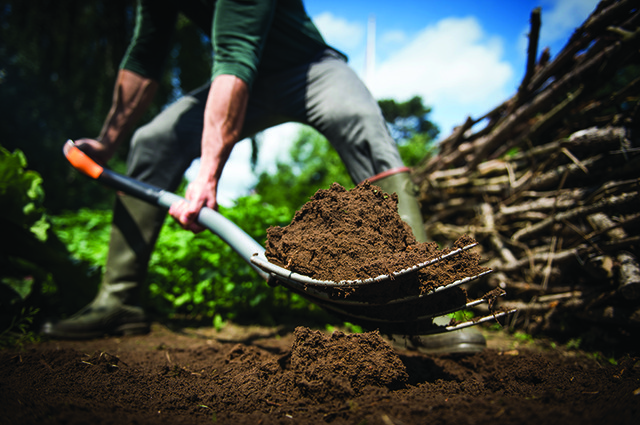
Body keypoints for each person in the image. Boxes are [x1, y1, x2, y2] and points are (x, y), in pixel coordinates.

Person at [43, 0, 485, 354]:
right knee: (152, 141)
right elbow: (144, 54)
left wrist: (207, 178)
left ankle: (421, 313)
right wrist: (106, 140)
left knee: (360, 120)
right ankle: (118, 301)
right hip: (246, 80)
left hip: (310, 69)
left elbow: (236, 56)